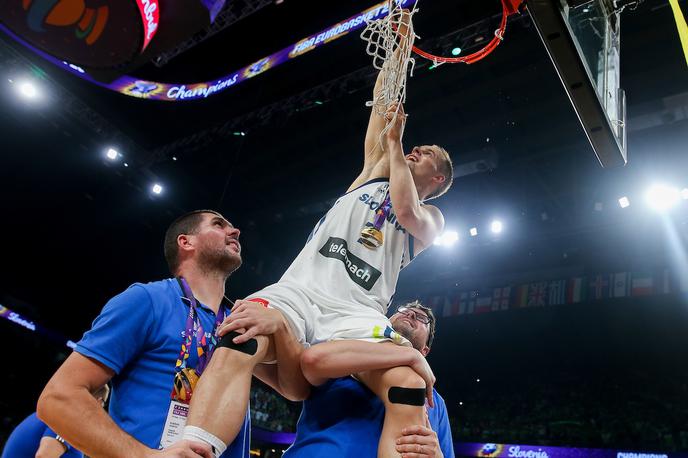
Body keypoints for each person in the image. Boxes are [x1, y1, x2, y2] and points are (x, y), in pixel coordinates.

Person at [182, 40, 454, 457]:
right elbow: (383, 106)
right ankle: (191, 450)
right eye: (418, 148)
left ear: (439, 181)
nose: (419, 150)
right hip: (301, 292)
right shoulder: (372, 174)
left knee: (408, 382)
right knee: (239, 336)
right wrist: (399, 46)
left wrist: (399, 147)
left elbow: (405, 207)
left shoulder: (432, 218)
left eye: (429, 156)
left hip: (358, 311)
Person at [37, 210, 304, 458]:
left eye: (232, 227)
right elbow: (58, 398)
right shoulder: (147, 300)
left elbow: (294, 390)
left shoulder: (240, 318)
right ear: (186, 242)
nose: (234, 231)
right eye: (218, 224)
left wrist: (281, 326)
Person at [285, 301, 455, 458]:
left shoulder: (435, 402)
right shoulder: (344, 355)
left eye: (421, 318)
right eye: (405, 310)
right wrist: (410, 355)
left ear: (425, 351)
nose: (410, 315)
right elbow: (313, 359)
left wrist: (438, 455)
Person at [2, 385, 109, 458]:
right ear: (98, 402)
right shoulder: (68, 417)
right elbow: (44, 456)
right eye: (104, 404)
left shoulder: (57, 412)